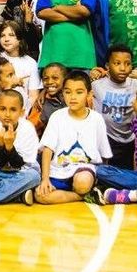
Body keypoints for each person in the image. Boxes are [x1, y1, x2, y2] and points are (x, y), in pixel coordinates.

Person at [36, 70, 110, 204]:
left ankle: (85, 190)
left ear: (89, 94)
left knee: (82, 183)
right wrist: (45, 179)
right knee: (40, 196)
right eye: (68, 92)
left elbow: (104, 154)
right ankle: (84, 196)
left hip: (84, 171)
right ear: (63, 93)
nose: (73, 97)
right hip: (58, 171)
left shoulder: (96, 119)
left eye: (79, 92)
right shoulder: (57, 116)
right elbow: (47, 149)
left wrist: (101, 179)